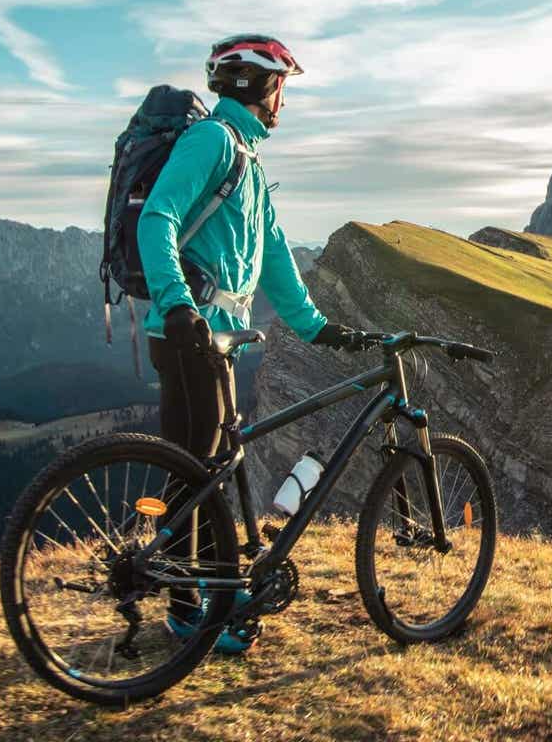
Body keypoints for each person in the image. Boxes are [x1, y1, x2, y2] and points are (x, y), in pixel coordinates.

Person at [138, 34, 369, 653]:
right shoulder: (211, 142)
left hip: (216, 339)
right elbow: (155, 218)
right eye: (281, 89)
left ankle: (214, 588)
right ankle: (189, 613)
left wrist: (320, 326)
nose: (283, 103)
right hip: (187, 334)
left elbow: (275, 262)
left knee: (208, 466)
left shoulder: (248, 161)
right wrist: (177, 304)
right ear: (258, 86)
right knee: (194, 475)